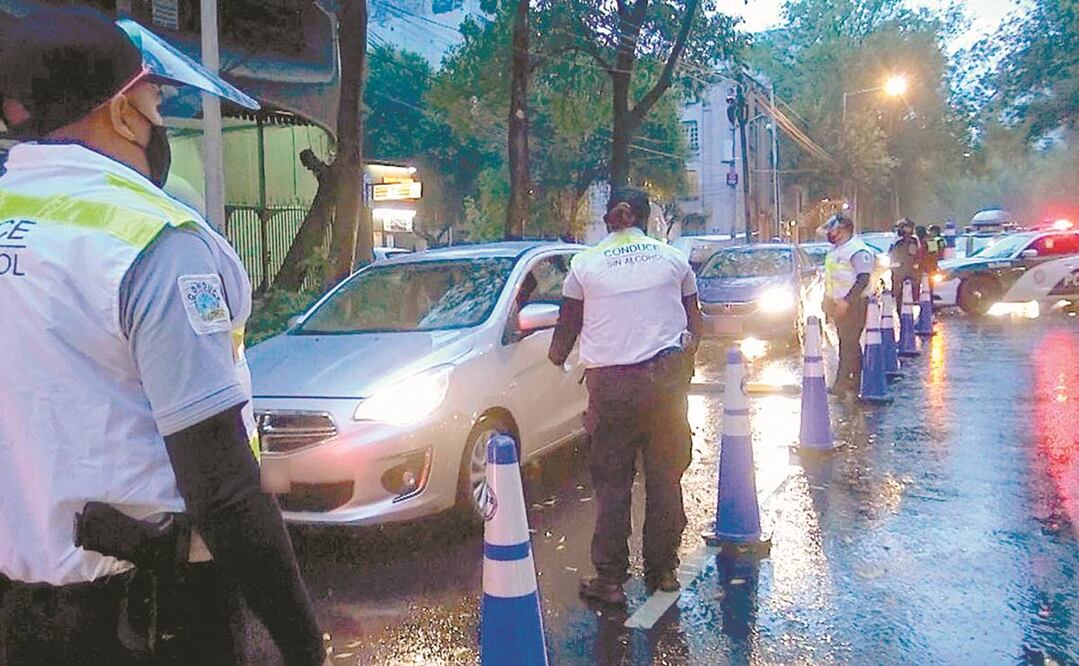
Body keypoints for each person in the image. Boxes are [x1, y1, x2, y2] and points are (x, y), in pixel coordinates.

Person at [0, 9, 324, 665]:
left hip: (21, 618)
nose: (160, 119)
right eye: (156, 98)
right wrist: (301, 645)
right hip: (149, 618)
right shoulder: (151, 241)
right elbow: (223, 489)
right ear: (122, 110)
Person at [547, 187, 703, 606]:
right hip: (665, 387)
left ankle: (611, 580)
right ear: (646, 217)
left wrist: (556, 360)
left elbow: (566, 326)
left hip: (612, 388)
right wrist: (684, 365)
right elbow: (695, 321)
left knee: (613, 486)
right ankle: (663, 571)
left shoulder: (584, 264)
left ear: (607, 219)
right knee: (665, 480)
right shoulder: (673, 259)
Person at [822, 214, 875, 396]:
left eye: (833, 230)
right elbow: (832, 277)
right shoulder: (836, 250)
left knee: (848, 344)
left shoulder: (858, 250)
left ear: (843, 230)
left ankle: (842, 384)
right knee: (849, 343)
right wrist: (827, 300)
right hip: (838, 303)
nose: (830, 234)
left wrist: (846, 301)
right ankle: (856, 380)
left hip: (854, 304)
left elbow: (863, 279)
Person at [889, 218, 921, 299]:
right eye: (906, 227)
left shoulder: (914, 239)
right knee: (898, 288)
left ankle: (914, 298)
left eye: (909, 227)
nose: (908, 230)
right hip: (899, 267)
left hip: (911, 267)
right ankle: (898, 300)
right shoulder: (896, 238)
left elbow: (918, 252)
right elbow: (891, 251)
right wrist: (894, 264)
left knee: (914, 284)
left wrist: (916, 263)